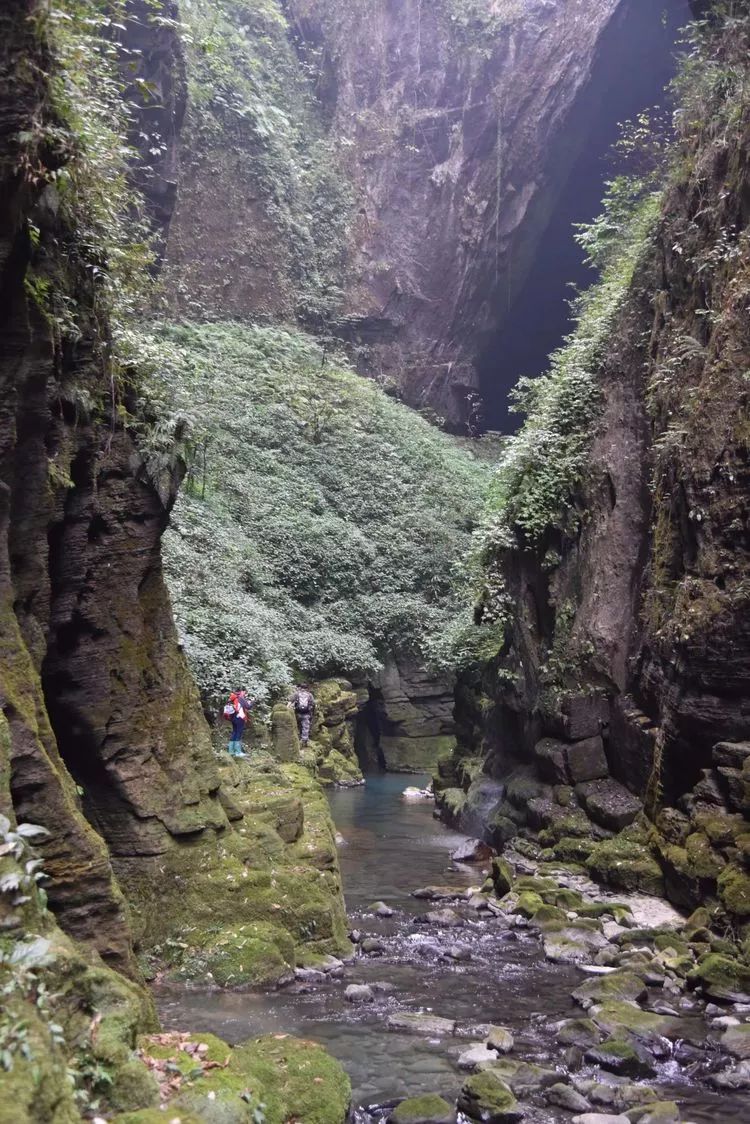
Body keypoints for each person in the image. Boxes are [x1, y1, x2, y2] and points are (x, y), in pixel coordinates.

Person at [224, 689, 254, 757]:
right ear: (241, 692)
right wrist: (252, 702)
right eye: (245, 692)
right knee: (239, 733)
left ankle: (231, 751)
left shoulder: (232, 697)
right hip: (240, 718)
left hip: (233, 718)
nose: (245, 694)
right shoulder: (240, 698)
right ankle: (238, 752)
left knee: (234, 732)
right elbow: (248, 707)